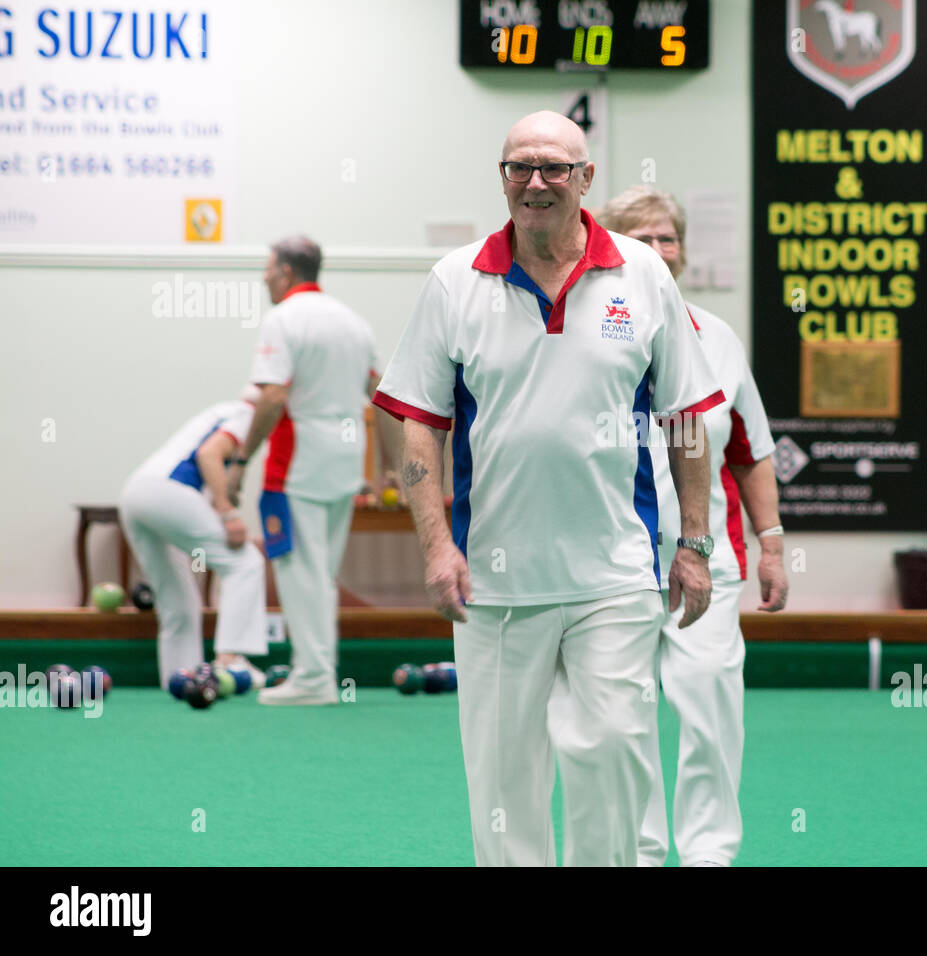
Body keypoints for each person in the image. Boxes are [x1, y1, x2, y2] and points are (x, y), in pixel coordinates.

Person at [373, 111, 724, 866]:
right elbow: (418, 429)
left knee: (611, 755)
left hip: (616, 577)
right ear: (502, 178)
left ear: (585, 178)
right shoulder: (452, 280)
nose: (536, 182)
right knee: (503, 783)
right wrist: (436, 547)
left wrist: (694, 544)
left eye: (554, 168)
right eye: (519, 167)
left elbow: (687, 418)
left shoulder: (642, 273)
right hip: (494, 582)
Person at [596, 186, 789, 867]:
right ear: (611, 248)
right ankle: (642, 853)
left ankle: (708, 853)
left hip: (710, 560)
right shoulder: (588, 337)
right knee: (625, 719)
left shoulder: (719, 338)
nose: (656, 251)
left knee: (709, 705)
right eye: (640, 239)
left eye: (667, 238)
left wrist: (772, 545)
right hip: (612, 564)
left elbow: (750, 450)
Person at [228, 235, 398, 706]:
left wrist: (241, 460)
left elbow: (273, 396)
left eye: (267, 268)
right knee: (320, 572)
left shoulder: (282, 320)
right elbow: (380, 394)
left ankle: (313, 678)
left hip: (297, 461)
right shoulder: (354, 322)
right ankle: (318, 672)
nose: (263, 277)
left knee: (299, 570)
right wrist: (391, 467)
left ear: (285, 272)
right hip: (344, 460)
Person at [120, 387, 269, 688]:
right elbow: (209, 454)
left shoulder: (221, 411)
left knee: (178, 601)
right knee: (245, 563)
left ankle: (183, 680)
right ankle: (229, 660)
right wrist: (228, 514)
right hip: (169, 492)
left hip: (136, 494)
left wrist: (222, 513)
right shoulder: (247, 416)